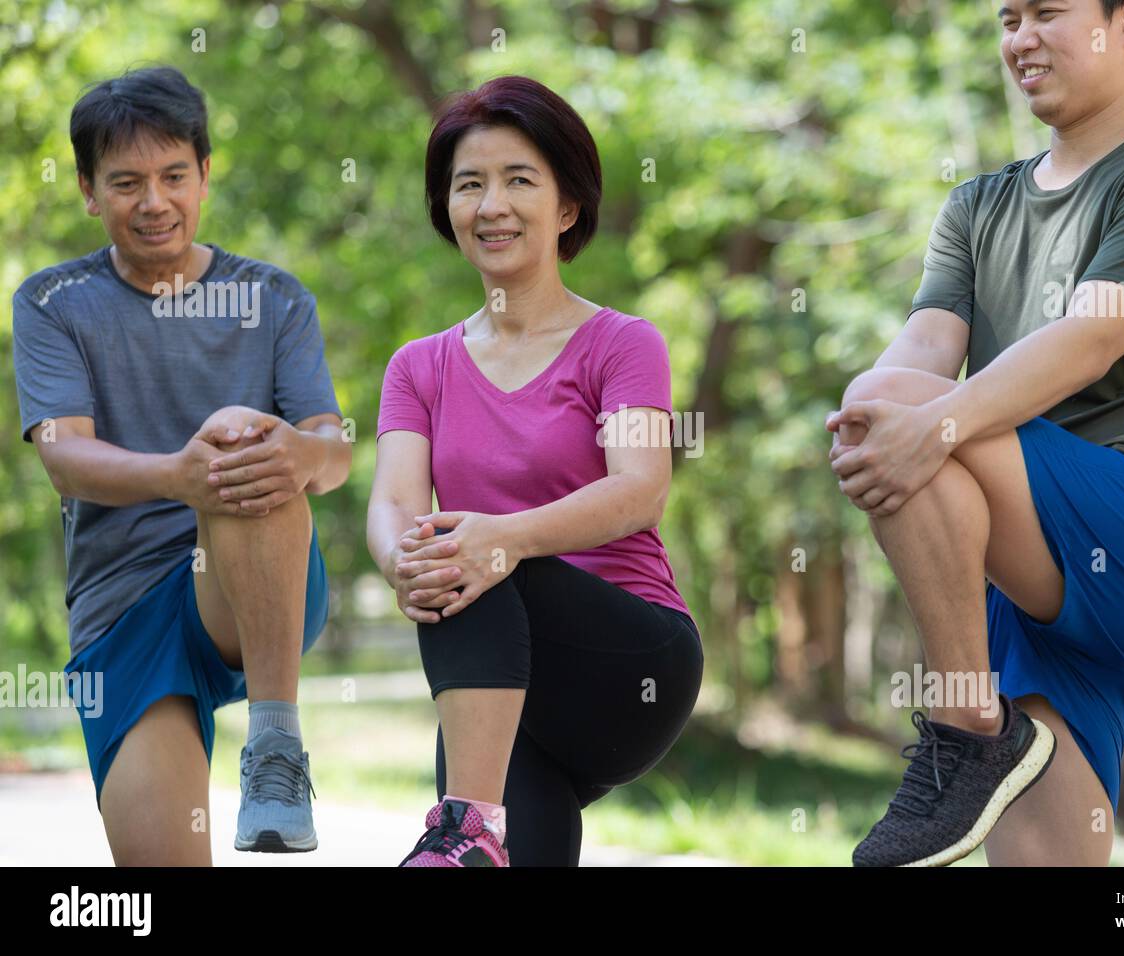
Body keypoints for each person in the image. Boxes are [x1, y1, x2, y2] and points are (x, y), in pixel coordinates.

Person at [827, 0, 1124, 866]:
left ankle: (965, 721)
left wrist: (923, 422)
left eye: (1047, 12)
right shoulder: (978, 206)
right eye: (1008, 18)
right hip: (1024, 579)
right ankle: (986, 737)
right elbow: (926, 348)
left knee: (901, 405)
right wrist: (873, 418)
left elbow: (1094, 334)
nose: (1020, 38)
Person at [12, 67, 351, 864]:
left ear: (205, 174)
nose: (153, 201)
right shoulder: (52, 302)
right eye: (125, 182)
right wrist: (178, 475)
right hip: (124, 604)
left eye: (173, 176)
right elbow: (64, 454)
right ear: (90, 192)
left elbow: (331, 451)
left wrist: (300, 452)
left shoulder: (275, 297)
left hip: (255, 587)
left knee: (244, 435)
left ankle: (277, 751)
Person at [367, 75, 703, 867]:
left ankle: (467, 824)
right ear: (446, 208)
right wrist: (400, 562)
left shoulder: (622, 344)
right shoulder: (418, 367)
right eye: (469, 184)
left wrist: (501, 540)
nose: (492, 206)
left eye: (520, 180)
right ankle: (472, 828)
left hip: (629, 660)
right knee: (489, 850)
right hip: (502, 680)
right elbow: (392, 501)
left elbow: (640, 491)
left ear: (567, 207)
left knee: (465, 553)